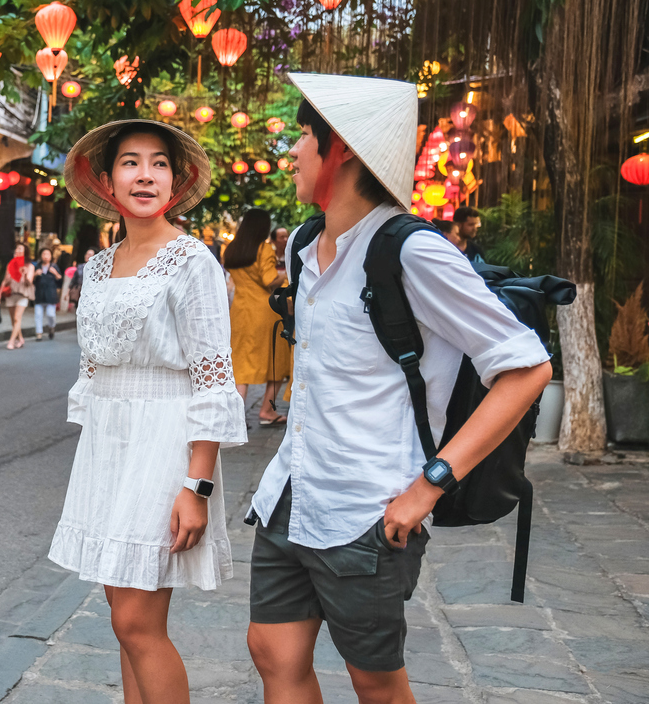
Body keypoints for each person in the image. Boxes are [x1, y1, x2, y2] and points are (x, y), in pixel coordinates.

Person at [246, 73, 553, 704]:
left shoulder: (413, 252)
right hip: (292, 491)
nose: (293, 151)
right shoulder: (306, 244)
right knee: (272, 651)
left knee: (376, 683)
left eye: (304, 136)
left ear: (344, 151)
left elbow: (526, 366)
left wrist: (430, 485)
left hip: (368, 511)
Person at [50, 120, 246, 704]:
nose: (145, 174)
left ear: (175, 181)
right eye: (131, 162)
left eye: (158, 163)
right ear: (107, 181)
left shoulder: (192, 262)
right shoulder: (99, 265)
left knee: (139, 623)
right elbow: (94, 366)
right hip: (108, 446)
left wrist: (198, 484)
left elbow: (213, 379)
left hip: (164, 442)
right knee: (121, 617)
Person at [224, 209, 288, 426]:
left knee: (241, 365)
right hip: (264, 312)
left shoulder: (232, 249)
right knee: (277, 362)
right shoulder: (264, 249)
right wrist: (287, 274)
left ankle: (235, 416)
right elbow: (269, 279)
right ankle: (268, 412)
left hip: (240, 312)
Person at [0, 243, 34, 350]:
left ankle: (11, 341)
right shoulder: (10, 265)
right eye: (17, 249)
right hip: (11, 294)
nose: (18, 250)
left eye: (20, 249)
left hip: (23, 294)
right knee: (13, 320)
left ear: (25, 252)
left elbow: (29, 283)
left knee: (17, 318)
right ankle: (21, 339)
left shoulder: (30, 266)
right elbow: (5, 281)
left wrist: (25, 274)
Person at [32, 246, 61, 341]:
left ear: (51, 256)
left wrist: (56, 274)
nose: (45, 256)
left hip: (50, 295)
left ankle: (51, 327)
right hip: (39, 294)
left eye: (47, 254)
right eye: (43, 254)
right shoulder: (37, 266)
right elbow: (31, 281)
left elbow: (60, 281)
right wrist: (35, 274)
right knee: (38, 315)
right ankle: (39, 333)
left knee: (50, 314)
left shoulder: (54, 267)